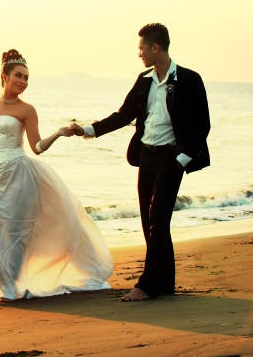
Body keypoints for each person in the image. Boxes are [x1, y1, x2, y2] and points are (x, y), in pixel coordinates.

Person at [0, 49, 113, 304]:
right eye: (18, 76)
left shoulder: (27, 110)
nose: (23, 82)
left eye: (26, 78)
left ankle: (12, 289)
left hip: (18, 174)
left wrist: (58, 133)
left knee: (15, 232)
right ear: (4, 76)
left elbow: (36, 147)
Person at [70, 23, 210, 302]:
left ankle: (146, 285)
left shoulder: (190, 80)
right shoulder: (144, 80)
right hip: (146, 156)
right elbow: (124, 115)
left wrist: (181, 160)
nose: (139, 54)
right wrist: (88, 130)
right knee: (150, 222)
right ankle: (165, 283)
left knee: (158, 218)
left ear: (155, 48)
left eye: (142, 48)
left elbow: (201, 125)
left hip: (172, 159)